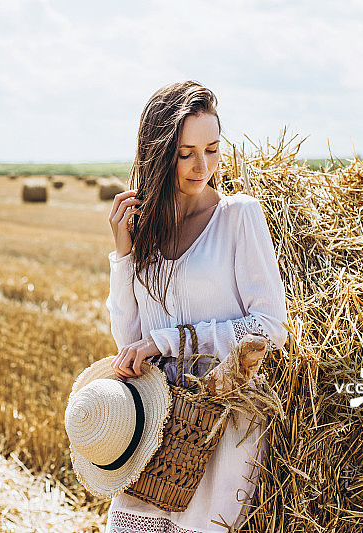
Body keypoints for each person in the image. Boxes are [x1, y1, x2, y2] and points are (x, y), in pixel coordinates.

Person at [103, 80, 288, 532]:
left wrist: (167, 342)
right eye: (185, 152)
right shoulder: (145, 232)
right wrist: (123, 255)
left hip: (221, 428)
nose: (201, 165)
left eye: (212, 148)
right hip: (158, 430)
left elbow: (269, 327)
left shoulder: (238, 217)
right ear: (158, 152)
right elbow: (129, 342)